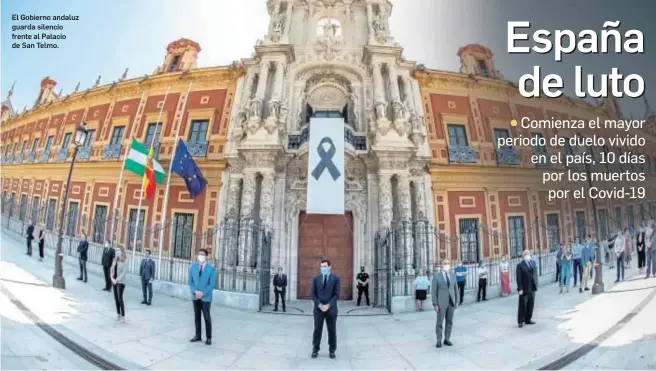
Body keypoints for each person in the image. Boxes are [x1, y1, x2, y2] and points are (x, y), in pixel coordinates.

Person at [311, 259, 340, 359]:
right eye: (321, 266)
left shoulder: (335, 279)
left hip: (331, 310)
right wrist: (319, 305)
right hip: (318, 309)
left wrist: (328, 305)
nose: (322, 268)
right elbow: (313, 294)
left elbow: (336, 295)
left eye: (324, 266)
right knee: (317, 330)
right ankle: (315, 349)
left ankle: (332, 350)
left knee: (332, 330)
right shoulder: (316, 279)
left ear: (329, 267)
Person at [189, 248, 216, 345]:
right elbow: (190, 282)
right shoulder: (193, 267)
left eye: (202, 254)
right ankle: (198, 335)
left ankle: (208, 338)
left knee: (207, 317)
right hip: (195, 296)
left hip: (206, 297)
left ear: (206, 256)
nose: (200, 256)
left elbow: (212, 284)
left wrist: (203, 293)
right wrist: (195, 291)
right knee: (197, 316)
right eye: (199, 254)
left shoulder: (211, 269)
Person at [431, 259, 458, 348]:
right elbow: (434, 291)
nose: (447, 265)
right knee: (439, 322)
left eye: (448, 263)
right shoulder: (437, 276)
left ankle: (447, 339)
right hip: (441, 303)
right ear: (441, 265)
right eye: (445, 263)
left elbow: (455, 289)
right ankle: (439, 340)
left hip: (451, 302)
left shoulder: (453, 275)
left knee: (449, 321)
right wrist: (435, 304)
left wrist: (456, 301)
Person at [516, 249, 537, 328]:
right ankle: (521, 321)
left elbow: (533, 274)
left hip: (531, 287)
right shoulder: (520, 265)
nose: (528, 256)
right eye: (527, 254)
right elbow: (519, 278)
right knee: (522, 304)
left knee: (531, 304)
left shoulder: (531, 263)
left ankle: (528, 319)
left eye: (529, 254)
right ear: (524, 256)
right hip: (524, 288)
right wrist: (520, 288)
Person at [110, 247, 127, 323]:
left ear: (122, 251)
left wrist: (117, 280)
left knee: (120, 298)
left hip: (121, 282)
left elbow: (124, 272)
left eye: (118, 250)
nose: (117, 251)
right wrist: (112, 278)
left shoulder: (125, 260)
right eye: (116, 250)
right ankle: (118, 314)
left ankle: (123, 316)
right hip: (114, 281)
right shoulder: (115, 259)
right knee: (116, 298)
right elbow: (112, 270)